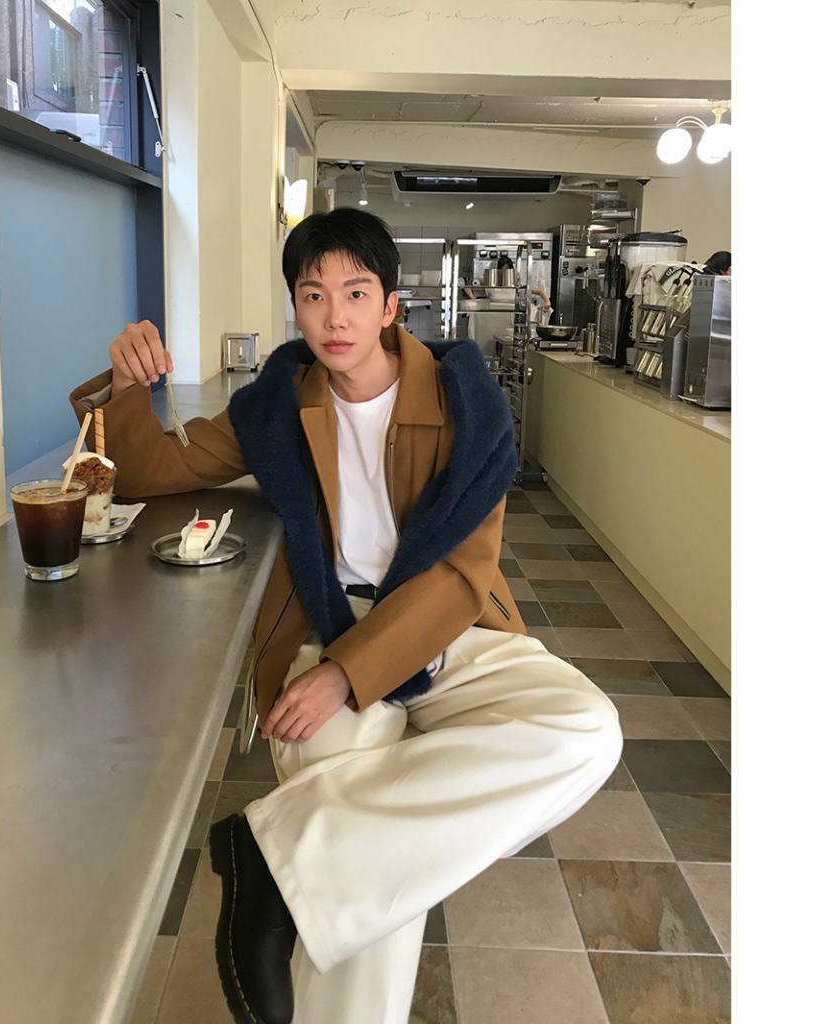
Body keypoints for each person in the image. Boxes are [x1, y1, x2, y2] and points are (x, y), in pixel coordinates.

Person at [69, 208, 622, 1024]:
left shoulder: (467, 404)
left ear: (391, 306)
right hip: (325, 623)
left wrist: (347, 675)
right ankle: (290, 865)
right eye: (314, 294)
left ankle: (268, 860)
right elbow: (151, 472)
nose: (335, 316)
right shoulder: (275, 409)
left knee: (586, 730)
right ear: (295, 306)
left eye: (356, 293)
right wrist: (126, 385)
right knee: (370, 859)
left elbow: (462, 572)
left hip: (448, 625)